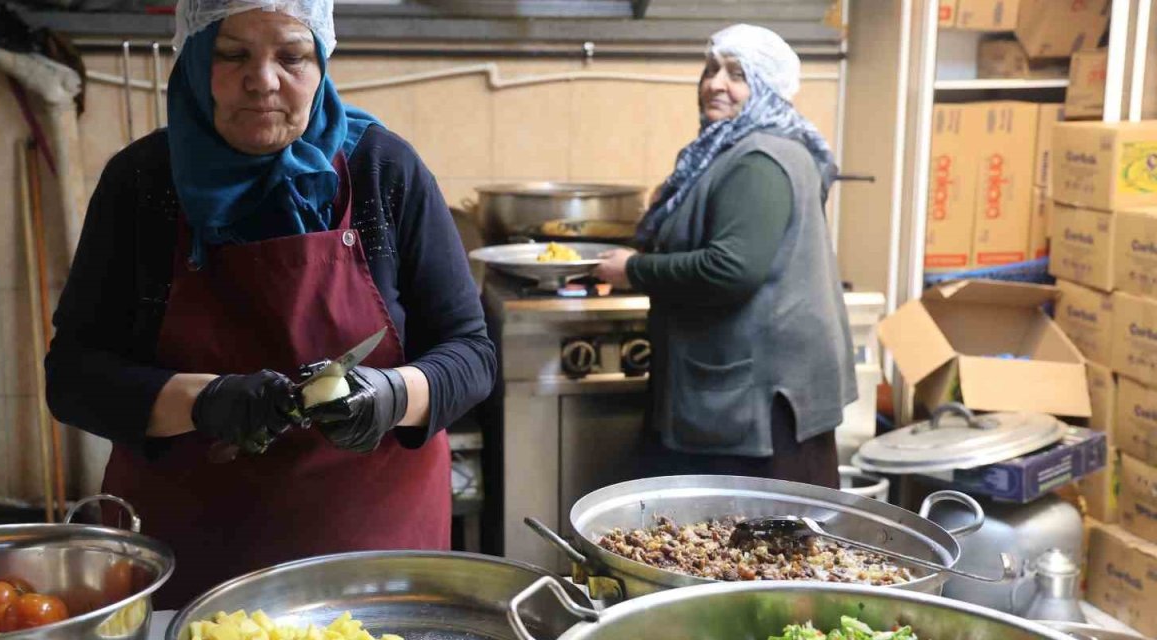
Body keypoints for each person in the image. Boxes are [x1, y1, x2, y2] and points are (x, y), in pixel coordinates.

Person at [45, 0, 495, 607]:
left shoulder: (383, 171)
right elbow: (72, 377)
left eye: (291, 56)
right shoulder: (142, 184)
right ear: (196, 59)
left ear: (321, 63)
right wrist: (203, 402)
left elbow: (470, 354)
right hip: (196, 552)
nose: (263, 80)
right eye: (233, 54)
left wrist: (390, 397)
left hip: (374, 548)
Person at [593, 24, 855, 489]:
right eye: (711, 69)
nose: (716, 83)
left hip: (759, 407)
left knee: (745, 547)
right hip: (738, 395)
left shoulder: (759, 159)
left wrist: (631, 270)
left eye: (737, 74)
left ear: (766, 90)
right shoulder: (730, 151)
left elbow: (731, 269)